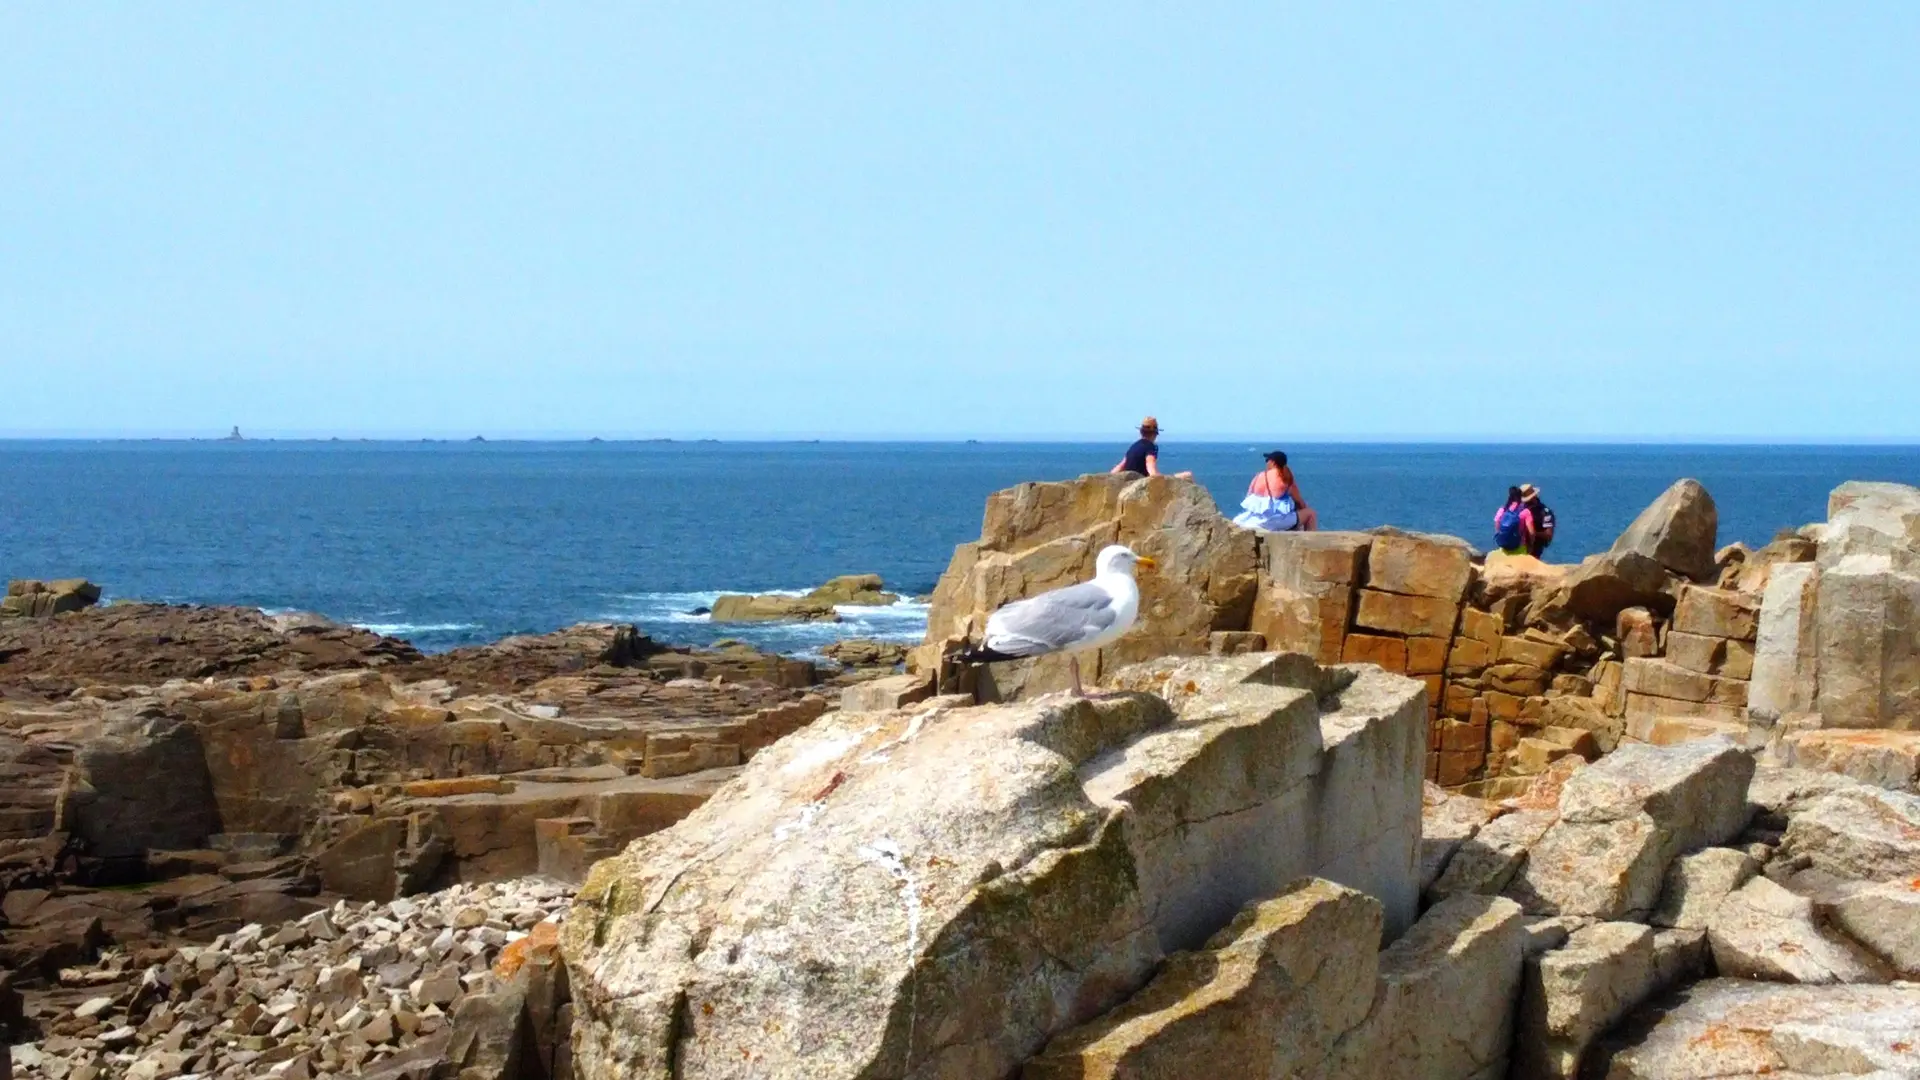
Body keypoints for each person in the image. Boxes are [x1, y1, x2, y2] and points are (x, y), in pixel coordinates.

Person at [1232, 450, 1319, 532]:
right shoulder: (1285, 477)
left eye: (1267, 460)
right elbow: (1300, 502)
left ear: (1273, 462)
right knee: (1311, 513)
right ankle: (1310, 540)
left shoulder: (1258, 476)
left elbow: (1249, 497)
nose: (1266, 463)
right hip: (1273, 522)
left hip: (1253, 520)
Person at [1111, 417, 1192, 479]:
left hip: (1130, 482)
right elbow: (1151, 469)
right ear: (1155, 434)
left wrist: (1108, 478)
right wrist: (1164, 479)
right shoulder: (1150, 447)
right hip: (1142, 484)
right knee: (1187, 475)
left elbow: (1120, 466)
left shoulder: (1133, 446)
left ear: (1141, 432)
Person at [1493, 486, 1536, 556]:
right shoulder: (1525, 511)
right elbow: (1531, 533)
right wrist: (1531, 545)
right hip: (1520, 547)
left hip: (1504, 547)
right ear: (1521, 496)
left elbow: (1497, 526)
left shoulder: (1502, 509)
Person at [1520, 483, 1556, 558]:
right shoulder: (1521, 509)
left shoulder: (1544, 512)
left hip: (1535, 546)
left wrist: (1532, 533)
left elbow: (1548, 535)